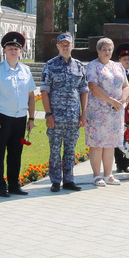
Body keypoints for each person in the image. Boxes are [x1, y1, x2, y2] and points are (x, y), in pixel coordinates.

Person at [0, 31, 37, 197]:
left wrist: (31, 118)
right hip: (3, 117)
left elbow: (31, 95)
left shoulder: (26, 71)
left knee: (16, 152)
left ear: (21, 51)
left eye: (16, 48)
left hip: (20, 118)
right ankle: (0, 186)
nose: (13, 50)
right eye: (10, 47)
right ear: (4, 50)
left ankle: (14, 184)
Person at [41, 33, 89, 191]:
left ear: (72, 46)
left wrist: (83, 114)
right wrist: (48, 114)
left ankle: (68, 180)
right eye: (62, 44)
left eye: (67, 44)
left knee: (70, 149)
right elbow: (45, 91)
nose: (65, 46)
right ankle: (55, 181)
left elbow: (84, 91)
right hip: (56, 116)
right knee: (55, 149)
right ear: (57, 46)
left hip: (73, 117)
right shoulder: (50, 65)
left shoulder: (79, 66)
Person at [86, 38, 129, 187]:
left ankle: (108, 175)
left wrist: (122, 101)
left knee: (111, 144)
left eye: (109, 49)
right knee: (97, 143)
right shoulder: (92, 66)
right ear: (98, 50)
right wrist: (111, 100)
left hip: (115, 111)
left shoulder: (118, 66)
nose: (107, 52)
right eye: (104, 49)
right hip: (98, 111)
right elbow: (93, 87)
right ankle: (97, 175)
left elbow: (126, 85)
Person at [114, 42, 129, 174]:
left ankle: (128, 162)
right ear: (120, 60)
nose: (127, 61)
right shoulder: (115, 74)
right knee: (118, 137)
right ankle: (119, 163)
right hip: (119, 109)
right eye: (124, 59)